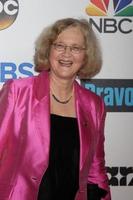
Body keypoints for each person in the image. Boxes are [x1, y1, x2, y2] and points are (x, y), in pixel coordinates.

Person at [0, 18, 111, 200]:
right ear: (48, 50)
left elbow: (96, 168)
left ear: (86, 56)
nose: (66, 54)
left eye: (76, 48)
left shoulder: (94, 105)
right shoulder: (18, 91)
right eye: (59, 45)